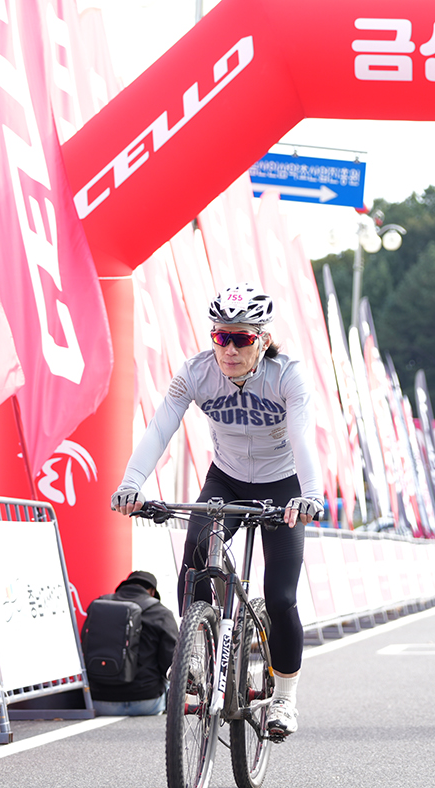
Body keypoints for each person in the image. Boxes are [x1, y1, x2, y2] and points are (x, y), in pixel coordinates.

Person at [112, 282, 321, 739]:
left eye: (241, 338)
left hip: (283, 485)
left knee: (281, 596)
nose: (229, 349)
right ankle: (195, 653)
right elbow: (160, 427)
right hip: (226, 479)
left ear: (263, 340)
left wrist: (310, 494)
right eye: (220, 337)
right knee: (196, 560)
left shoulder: (287, 375)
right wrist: (132, 484)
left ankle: (285, 699)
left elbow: (303, 436)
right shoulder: (195, 372)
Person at [88, 571, 178, 717]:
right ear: (152, 592)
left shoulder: (99, 606)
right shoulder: (161, 612)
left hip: (99, 701)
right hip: (147, 702)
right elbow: (171, 663)